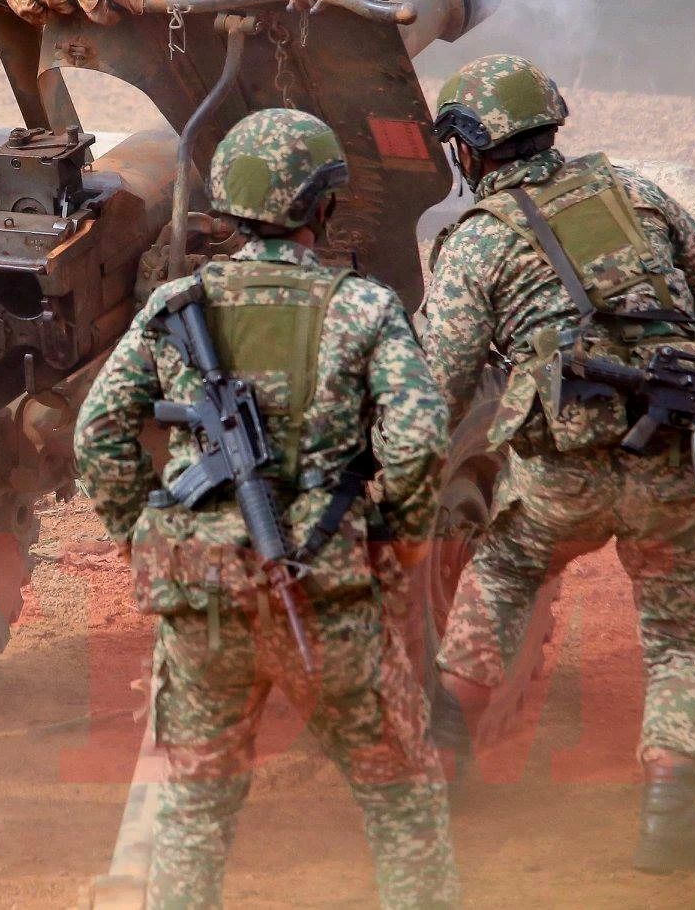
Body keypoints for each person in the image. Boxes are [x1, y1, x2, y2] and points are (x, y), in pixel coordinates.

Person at [74, 108, 460, 909]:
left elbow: (98, 431)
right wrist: (402, 537)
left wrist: (139, 533)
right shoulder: (363, 307)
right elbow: (420, 440)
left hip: (201, 593)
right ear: (322, 207)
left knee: (196, 802)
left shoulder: (179, 303)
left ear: (229, 205)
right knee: (397, 792)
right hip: (329, 593)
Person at [421, 53, 695, 874]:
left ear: (466, 148)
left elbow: (441, 374)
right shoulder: (634, 193)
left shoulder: (478, 240)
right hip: (676, 454)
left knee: (503, 572)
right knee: (684, 641)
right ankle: (669, 809)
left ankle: (446, 759)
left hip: (561, 470)